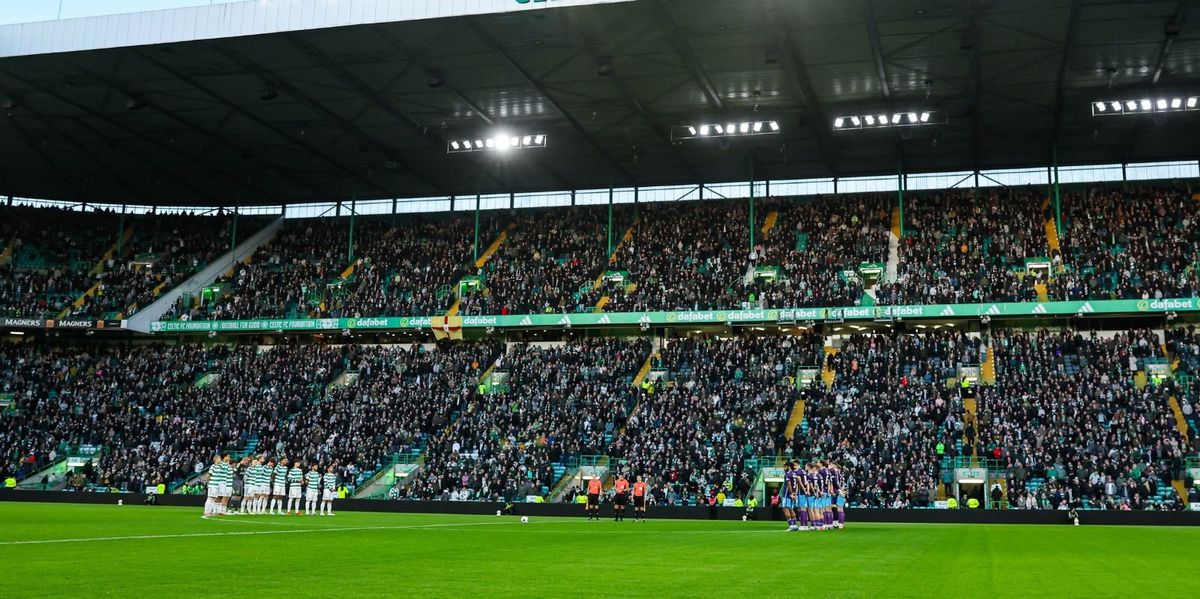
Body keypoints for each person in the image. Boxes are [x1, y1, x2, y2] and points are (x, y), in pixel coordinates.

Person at [781, 461, 797, 531]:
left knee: (785, 509)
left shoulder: (788, 474)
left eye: (784, 467)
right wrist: (794, 494)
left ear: (788, 466)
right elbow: (796, 485)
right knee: (791, 509)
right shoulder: (794, 474)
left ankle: (791, 526)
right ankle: (795, 525)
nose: (783, 468)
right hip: (791, 494)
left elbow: (789, 484)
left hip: (786, 494)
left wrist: (791, 494)